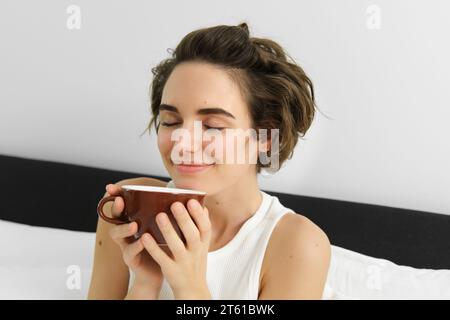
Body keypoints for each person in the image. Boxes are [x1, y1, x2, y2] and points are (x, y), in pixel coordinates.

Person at [88, 22, 330, 300]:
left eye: (213, 125)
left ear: (265, 135)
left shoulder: (297, 246)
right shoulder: (127, 211)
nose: (183, 141)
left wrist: (189, 287)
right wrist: (145, 284)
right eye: (171, 121)